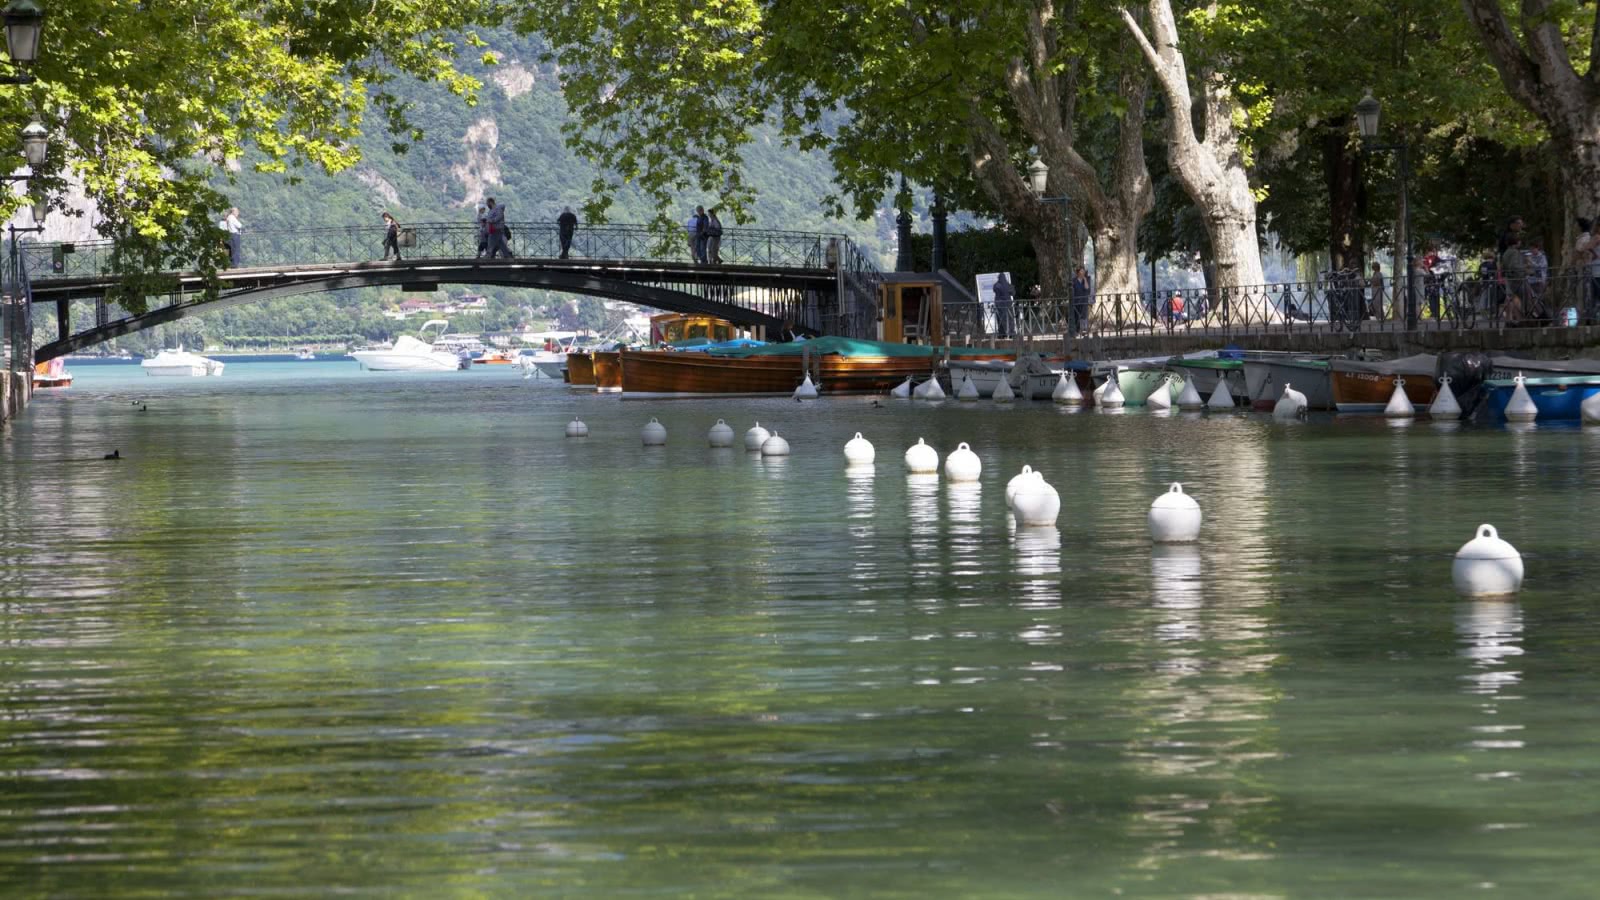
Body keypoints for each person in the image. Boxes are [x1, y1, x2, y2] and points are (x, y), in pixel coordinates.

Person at [1499, 233, 1528, 322]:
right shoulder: (1515, 252)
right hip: (1516, 278)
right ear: (1517, 242)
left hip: (1509, 278)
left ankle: (1509, 319)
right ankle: (1520, 318)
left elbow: (1503, 266)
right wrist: (1525, 269)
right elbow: (1515, 266)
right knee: (1522, 297)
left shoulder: (1506, 252)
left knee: (1510, 297)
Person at [1577, 218, 1600, 322]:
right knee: (1594, 296)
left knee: (1593, 297)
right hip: (1596, 271)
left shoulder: (1597, 237)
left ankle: (1590, 318)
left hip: (1596, 272)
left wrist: (1593, 253)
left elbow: (1585, 247)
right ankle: (1591, 318)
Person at [992, 273, 1015, 339]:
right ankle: (1011, 333)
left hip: (999, 304)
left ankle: (1002, 334)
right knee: (1010, 319)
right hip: (1008, 304)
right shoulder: (1008, 285)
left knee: (1000, 319)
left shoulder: (997, 285)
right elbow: (1013, 293)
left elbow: (995, 290)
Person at [1070, 266, 1091, 336]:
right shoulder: (1074, 280)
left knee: (1083, 316)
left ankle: (1083, 331)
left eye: (1083, 271)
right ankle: (1076, 331)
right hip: (1076, 301)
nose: (1083, 273)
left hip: (1083, 301)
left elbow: (1087, 288)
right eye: (1081, 271)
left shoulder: (1086, 279)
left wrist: (1085, 280)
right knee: (1076, 317)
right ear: (1078, 273)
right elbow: (1072, 290)